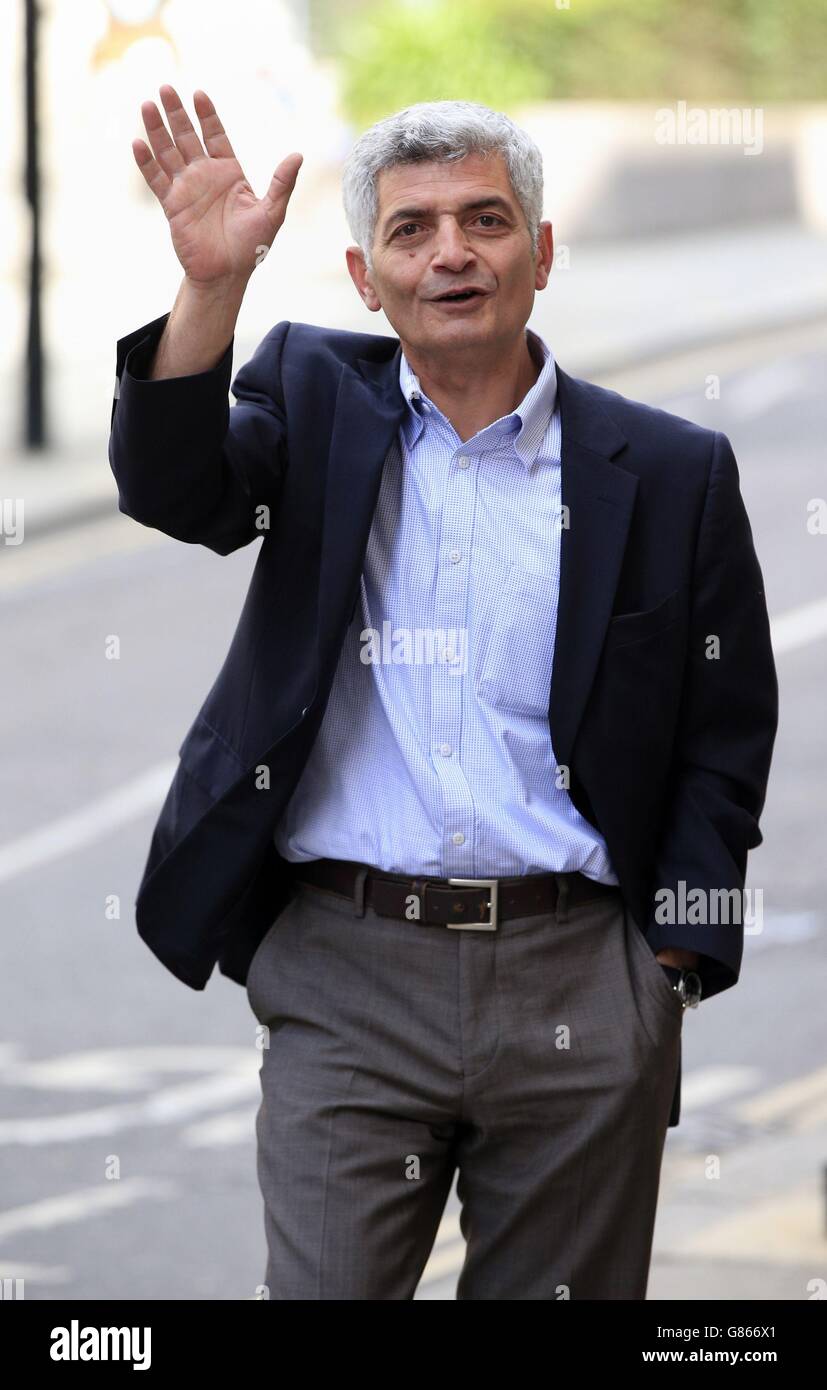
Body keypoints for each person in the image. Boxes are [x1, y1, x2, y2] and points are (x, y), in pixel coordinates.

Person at [108, 87, 778, 1299]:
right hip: (346, 973)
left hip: (580, 976)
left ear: (542, 251)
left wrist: (667, 967)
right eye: (412, 231)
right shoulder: (312, 399)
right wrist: (211, 287)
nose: (451, 253)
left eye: (484, 219)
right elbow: (177, 491)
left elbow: (722, 737)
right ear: (367, 278)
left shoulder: (672, 471)